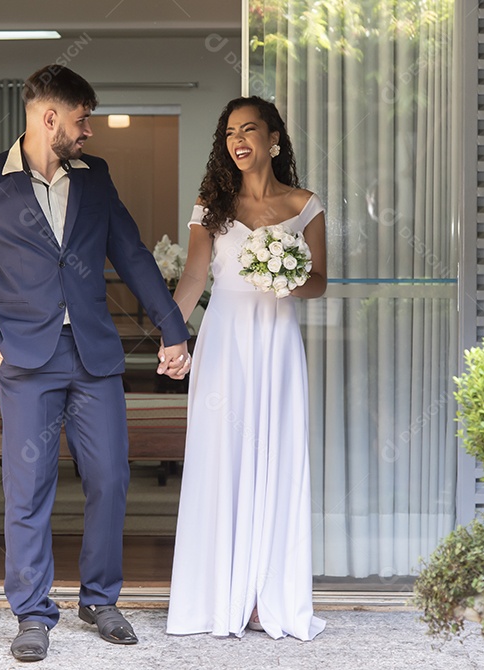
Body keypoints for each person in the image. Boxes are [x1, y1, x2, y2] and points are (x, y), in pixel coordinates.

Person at [0, 64, 191, 663]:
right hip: (24, 359)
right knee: (29, 486)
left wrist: (173, 329)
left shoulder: (95, 178)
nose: (89, 131)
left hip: (93, 355)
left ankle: (99, 600)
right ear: (50, 118)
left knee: (111, 478)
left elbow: (132, 255)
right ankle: (32, 611)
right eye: (82, 119)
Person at [165, 96, 328, 640]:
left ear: (273, 139)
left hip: (277, 343)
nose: (238, 140)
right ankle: (219, 595)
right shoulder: (212, 203)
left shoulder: (305, 204)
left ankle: (266, 596)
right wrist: (171, 335)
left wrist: (284, 279)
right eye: (231, 132)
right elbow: (194, 277)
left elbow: (320, 283)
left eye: (249, 129)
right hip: (225, 341)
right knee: (222, 455)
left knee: (276, 455)